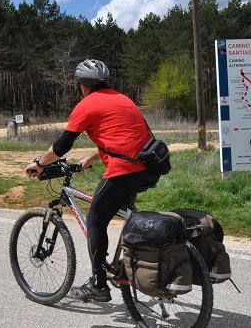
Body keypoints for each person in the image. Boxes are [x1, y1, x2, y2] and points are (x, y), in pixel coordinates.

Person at [25, 59, 159, 302]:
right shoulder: (123, 99)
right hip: (150, 167)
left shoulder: (86, 105)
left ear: (82, 86)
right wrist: (93, 157)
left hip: (124, 171)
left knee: (96, 218)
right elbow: (125, 139)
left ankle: (98, 285)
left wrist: (40, 164)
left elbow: (61, 146)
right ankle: (124, 266)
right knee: (124, 212)